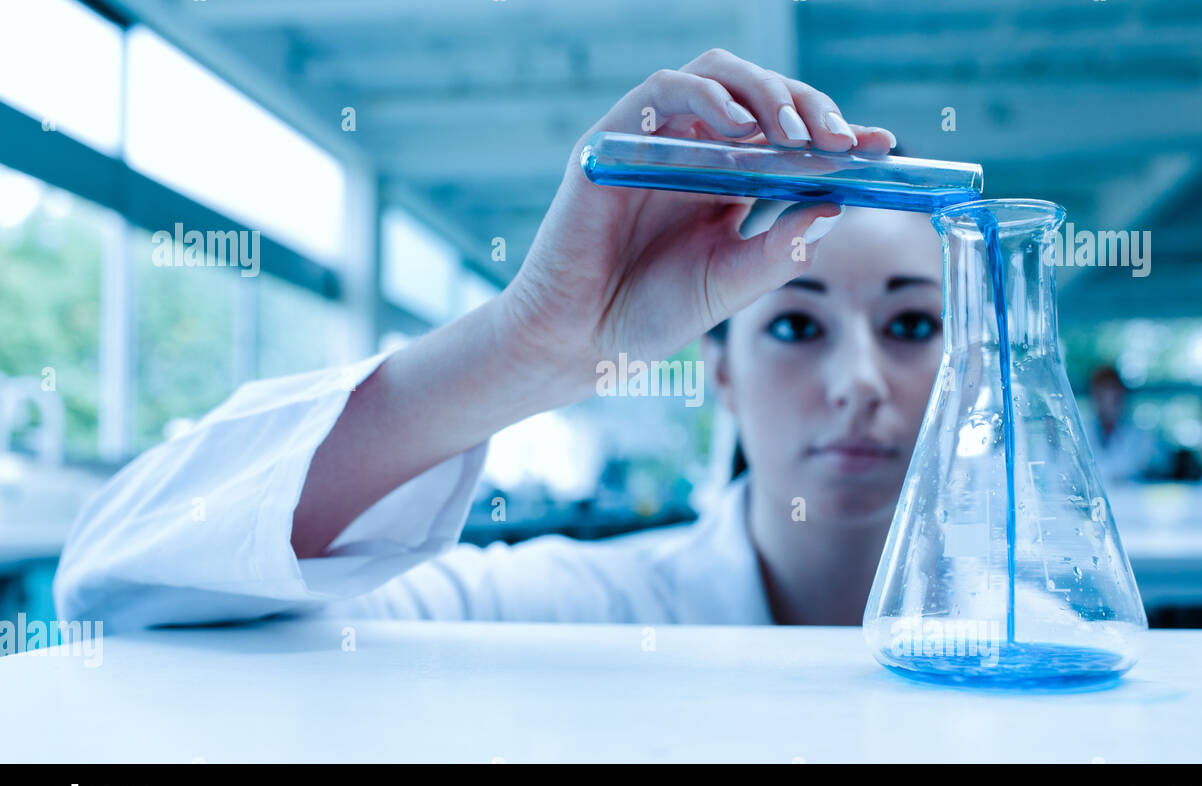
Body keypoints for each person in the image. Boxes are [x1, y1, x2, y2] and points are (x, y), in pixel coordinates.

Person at [54, 49, 1066, 633]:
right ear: (718, 369)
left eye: (913, 324)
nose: (858, 382)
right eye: (795, 323)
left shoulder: (1055, 639)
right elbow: (122, 588)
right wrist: (528, 346)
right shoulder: (576, 609)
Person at [1084, 366, 1154, 483]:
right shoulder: (1080, 434)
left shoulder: (1141, 437)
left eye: (1114, 397)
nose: (1109, 402)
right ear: (1095, 397)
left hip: (1128, 499)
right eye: (1102, 395)